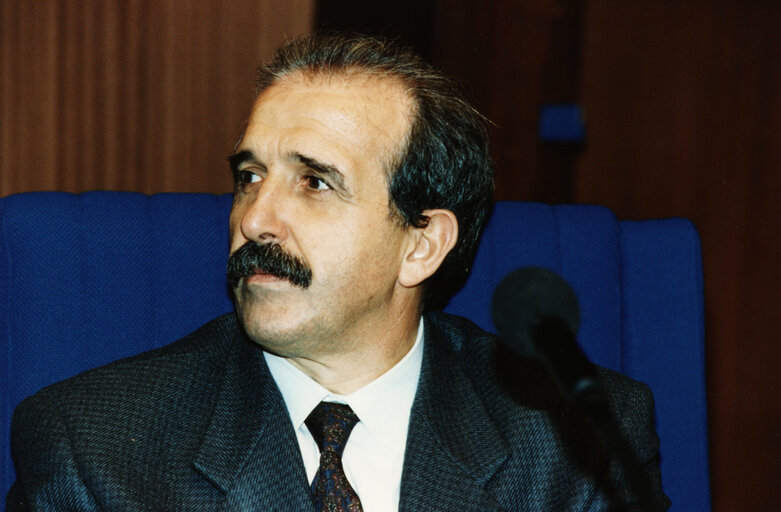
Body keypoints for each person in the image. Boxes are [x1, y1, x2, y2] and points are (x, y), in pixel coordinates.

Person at [7, 33, 670, 511]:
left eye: (315, 183)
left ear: (421, 244)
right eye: (249, 177)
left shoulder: (576, 441)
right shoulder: (92, 452)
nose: (255, 219)